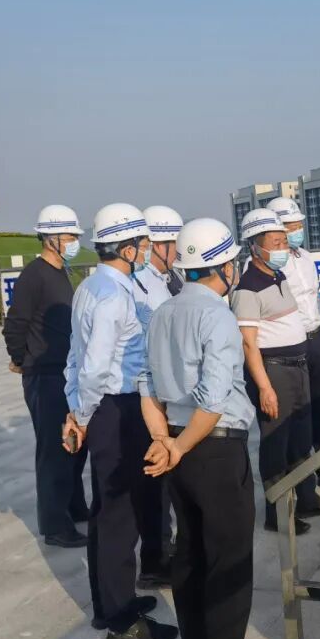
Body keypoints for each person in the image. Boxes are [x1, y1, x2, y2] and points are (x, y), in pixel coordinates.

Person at [62, 203, 178, 639]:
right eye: (143, 244)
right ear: (127, 249)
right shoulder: (113, 296)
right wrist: (83, 415)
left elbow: (75, 357)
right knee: (119, 518)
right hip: (118, 408)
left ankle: (108, 604)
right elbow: (93, 367)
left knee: (106, 514)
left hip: (106, 407)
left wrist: (75, 410)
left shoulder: (91, 287)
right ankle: (122, 622)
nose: (147, 250)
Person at [139, 218, 257, 639]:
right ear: (223, 267)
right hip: (214, 448)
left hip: (178, 445)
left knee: (189, 550)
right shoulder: (217, 316)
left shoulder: (162, 312)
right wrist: (178, 445)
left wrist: (164, 440)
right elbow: (212, 400)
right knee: (228, 561)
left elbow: (147, 382)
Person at [233, 209, 320, 535]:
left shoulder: (277, 276)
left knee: (301, 438)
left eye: (284, 241)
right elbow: (248, 344)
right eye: (276, 243)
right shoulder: (247, 288)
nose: (283, 247)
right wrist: (264, 388)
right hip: (274, 372)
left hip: (298, 366)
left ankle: (306, 498)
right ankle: (278, 512)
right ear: (255, 247)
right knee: (276, 443)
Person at [3, 204, 89, 548]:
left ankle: (75, 508)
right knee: (55, 449)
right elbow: (15, 324)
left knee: (75, 445)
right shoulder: (34, 275)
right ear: (50, 238)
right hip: (46, 374)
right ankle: (55, 525)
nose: (73, 242)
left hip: (66, 372)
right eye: (68, 237)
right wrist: (22, 360)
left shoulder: (61, 272)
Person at [266, 196, 320, 494]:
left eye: (298, 224)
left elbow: (316, 300)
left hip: (316, 341)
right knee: (294, 416)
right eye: (290, 226)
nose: (296, 230)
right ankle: (296, 480)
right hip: (289, 348)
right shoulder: (265, 266)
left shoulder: (307, 259)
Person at [129, 205, 184, 590]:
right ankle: (154, 561)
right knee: (155, 482)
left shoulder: (168, 279)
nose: (178, 250)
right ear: (158, 245)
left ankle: (165, 548)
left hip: (166, 388)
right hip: (146, 393)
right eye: (174, 243)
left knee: (169, 480)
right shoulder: (139, 286)